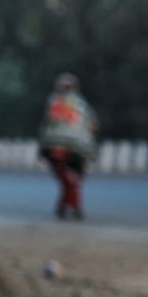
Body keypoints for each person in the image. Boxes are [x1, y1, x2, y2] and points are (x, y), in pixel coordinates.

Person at [38, 73, 98, 220]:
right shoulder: (81, 104)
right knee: (71, 180)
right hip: (73, 148)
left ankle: (64, 208)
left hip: (58, 146)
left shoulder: (54, 102)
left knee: (67, 179)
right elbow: (92, 125)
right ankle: (74, 208)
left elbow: (47, 125)